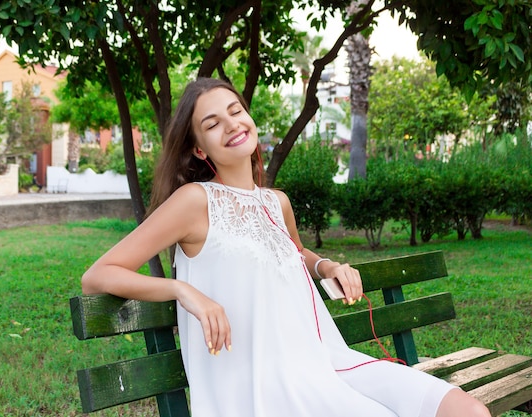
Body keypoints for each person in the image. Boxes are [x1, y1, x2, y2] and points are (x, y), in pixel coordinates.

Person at [82, 77, 490, 417]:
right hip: (264, 389)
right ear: (199, 149)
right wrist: (183, 291)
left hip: (330, 363)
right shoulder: (194, 201)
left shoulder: (275, 202)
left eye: (235, 111)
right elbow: (98, 275)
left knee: (469, 411)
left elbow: (292, 253)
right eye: (212, 123)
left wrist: (326, 266)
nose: (231, 124)